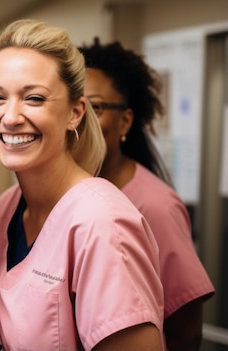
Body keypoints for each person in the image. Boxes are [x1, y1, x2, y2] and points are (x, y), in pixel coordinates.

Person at [0, 19, 165, 350]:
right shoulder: (7, 208)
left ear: (74, 113)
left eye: (33, 98)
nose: (10, 116)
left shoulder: (101, 222)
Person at [79, 38, 215, 351]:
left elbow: (185, 331)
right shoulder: (52, 195)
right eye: (73, 105)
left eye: (95, 107)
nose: (80, 118)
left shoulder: (154, 206)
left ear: (125, 120)